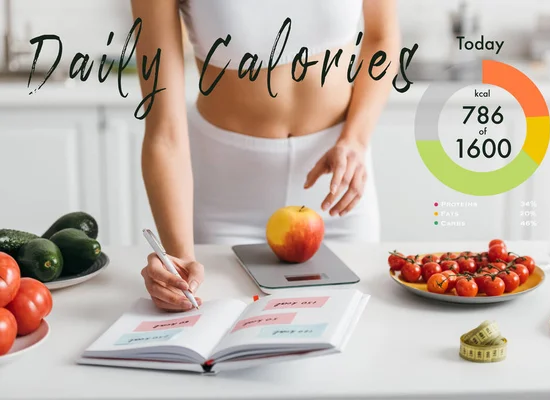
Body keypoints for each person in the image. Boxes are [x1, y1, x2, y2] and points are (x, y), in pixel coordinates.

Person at [131, 0, 400, 311]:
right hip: (225, 197)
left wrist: (355, 140)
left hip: (337, 187)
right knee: (214, 334)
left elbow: (382, 37)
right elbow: (164, 133)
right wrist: (180, 261)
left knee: (353, 331)